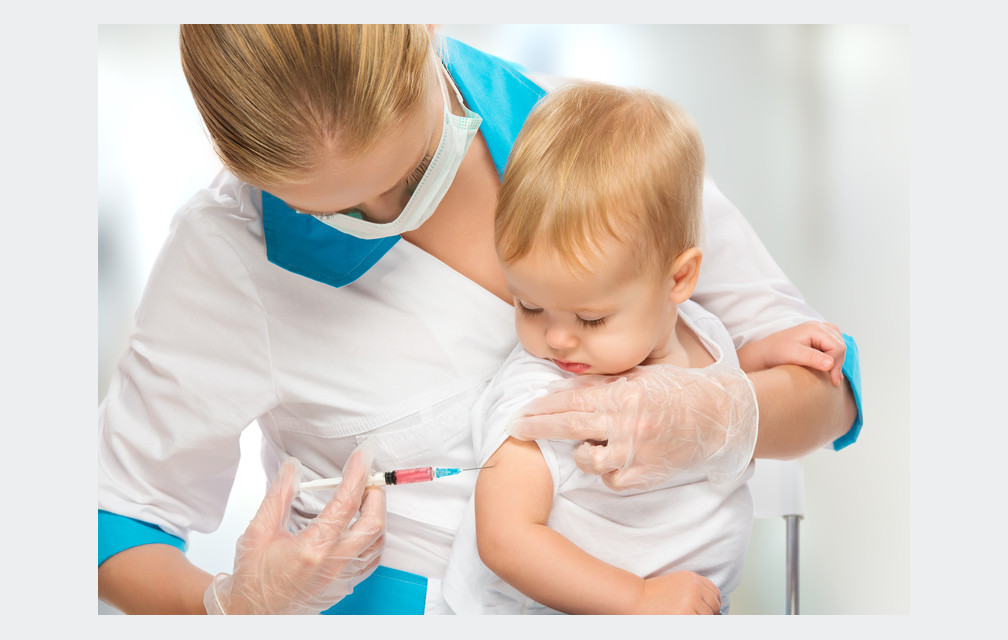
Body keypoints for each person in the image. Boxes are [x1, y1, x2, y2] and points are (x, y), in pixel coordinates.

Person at [97, 25, 863, 615]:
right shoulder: (226, 251)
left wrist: (718, 413)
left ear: (424, 30)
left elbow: (830, 392)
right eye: (331, 210)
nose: (385, 216)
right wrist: (234, 606)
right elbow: (110, 526)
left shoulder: (594, 144)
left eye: (404, 171)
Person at [441, 81, 847, 615]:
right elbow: (505, 539)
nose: (557, 338)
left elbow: (705, 387)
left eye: (591, 317)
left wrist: (764, 354)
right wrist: (637, 599)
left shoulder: (698, 328)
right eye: (529, 306)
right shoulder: (544, 397)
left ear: (678, 280)